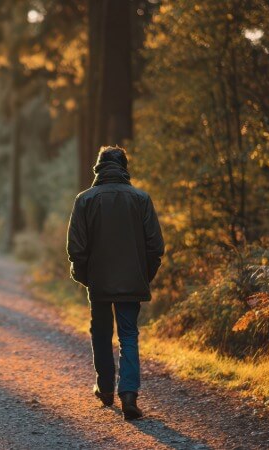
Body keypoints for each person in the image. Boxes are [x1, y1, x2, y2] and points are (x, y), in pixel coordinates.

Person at [66, 145, 165, 420]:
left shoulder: (84, 199)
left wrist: (86, 277)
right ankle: (129, 394)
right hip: (132, 280)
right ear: (125, 168)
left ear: (98, 168)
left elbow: (76, 247)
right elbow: (155, 246)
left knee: (100, 333)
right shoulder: (141, 199)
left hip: (98, 280)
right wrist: (143, 275)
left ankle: (106, 389)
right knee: (129, 334)